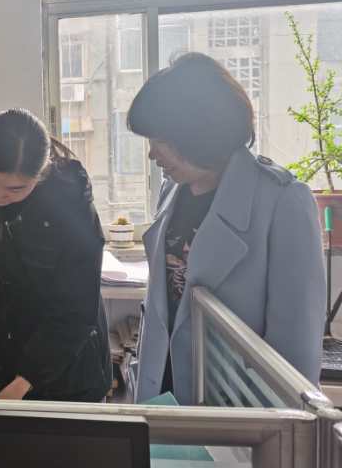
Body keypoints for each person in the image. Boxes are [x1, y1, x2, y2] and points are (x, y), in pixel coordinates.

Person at [128, 52, 325, 404]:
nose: (152, 155)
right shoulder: (172, 190)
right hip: (163, 394)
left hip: (237, 407)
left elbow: (296, 359)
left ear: (199, 132)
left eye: (161, 141)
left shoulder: (283, 201)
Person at [0, 108, 111, 401]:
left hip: (69, 357)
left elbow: (76, 305)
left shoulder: (68, 195)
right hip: (9, 342)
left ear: (40, 176)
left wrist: (25, 381)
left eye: (15, 188)